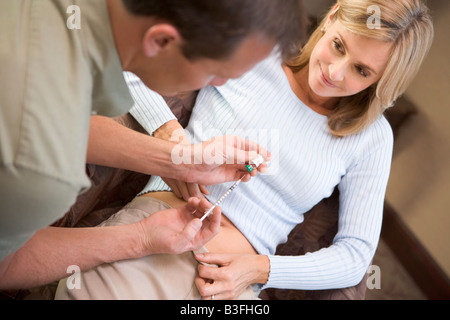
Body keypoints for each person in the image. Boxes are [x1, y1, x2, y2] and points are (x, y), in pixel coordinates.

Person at [55, 0, 433, 300]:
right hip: (157, 232)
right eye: (338, 45)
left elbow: (355, 255)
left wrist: (259, 270)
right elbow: (129, 64)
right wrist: (173, 139)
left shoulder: (372, 137)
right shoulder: (258, 51)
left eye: (361, 71)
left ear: (381, 82)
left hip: (233, 285)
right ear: (332, 15)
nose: (335, 72)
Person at [0, 0, 306, 290]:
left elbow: (70, 123)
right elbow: (7, 264)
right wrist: (140, 238)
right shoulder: (41, 171)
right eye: (217, 73)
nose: (218, 86)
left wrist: (181, 160)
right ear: (160, 41)